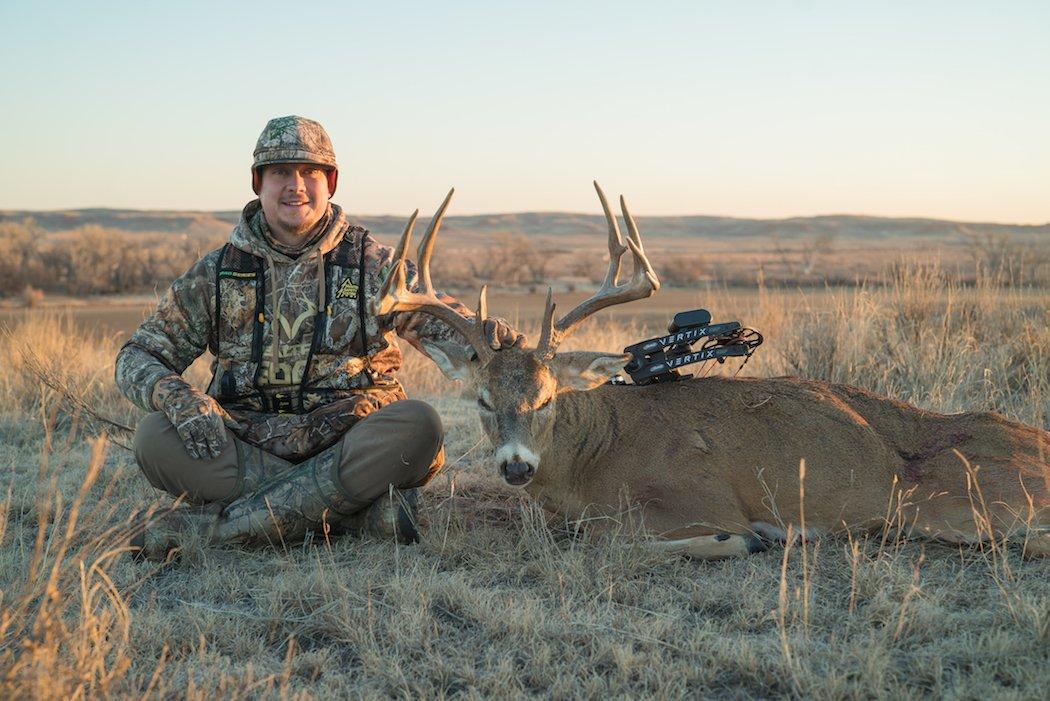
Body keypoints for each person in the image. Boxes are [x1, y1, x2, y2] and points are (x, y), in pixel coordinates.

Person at [116, 115, 523, 560]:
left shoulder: (373, 264)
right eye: (280, 173)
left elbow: (448, 326)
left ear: (330, 182)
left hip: (351, 442)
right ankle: (355, 515)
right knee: (154, 437)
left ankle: (220, 530)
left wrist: (493, 339)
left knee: (419, 425)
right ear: (259, 184)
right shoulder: (216, 272)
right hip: (249, 443)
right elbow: (138, 354)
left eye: (310, 172)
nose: (296, 186)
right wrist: (176, 396)